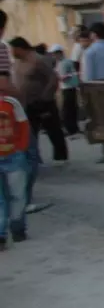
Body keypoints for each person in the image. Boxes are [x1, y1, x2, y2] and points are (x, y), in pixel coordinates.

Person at [10, 36, 64, 214]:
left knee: (52, 129)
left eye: (14, 49)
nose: (12, 52)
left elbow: (52, 78)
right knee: (30, 134)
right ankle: (36, 159)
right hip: (25, 106)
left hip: (40, 103)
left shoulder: (37, 60)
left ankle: (60, 157)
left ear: (20, 48)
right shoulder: (17, 62)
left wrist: (46, 97)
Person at [0, 90, 32, 248]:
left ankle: (17, 227)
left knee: (17, 195)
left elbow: (24, 126)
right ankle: (1, 235)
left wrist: (20, 148)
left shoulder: (11, 103)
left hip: (13, 155)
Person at [52, 45, 80, 137]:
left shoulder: (63, 63)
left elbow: (63, 77)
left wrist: (57, 76)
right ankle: (74, 128)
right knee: (71, 108)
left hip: (68, 87)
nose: (54, 56)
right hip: (69, 87)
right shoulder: (62, 62)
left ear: (59, 53)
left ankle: (69, 128)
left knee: (67, 109)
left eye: (55, 54)